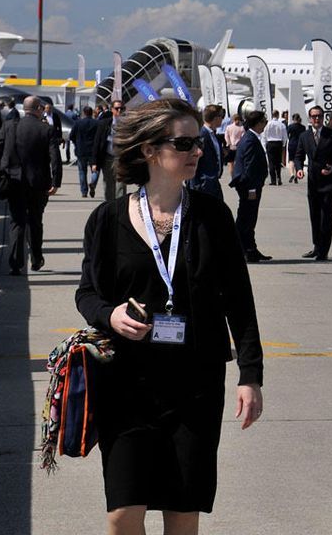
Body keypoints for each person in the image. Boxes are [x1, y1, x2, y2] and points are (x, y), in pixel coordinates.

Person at [75, 97, 264, 533]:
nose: (197, 151)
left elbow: (239, 300)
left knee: (182, 515)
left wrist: (250, 376)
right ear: (148, 150)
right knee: (123, 515)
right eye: (184, 144)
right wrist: (110, 315)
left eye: (198, 143)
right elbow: (87, 293)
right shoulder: (106, 220)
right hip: (125, 383)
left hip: (194, 386)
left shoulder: (213, 218)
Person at [0, 96, 64, 274]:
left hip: (14, 182)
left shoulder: (9, 127)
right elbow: (55, 158)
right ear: (39, 108)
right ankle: (37, 258)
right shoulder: (46, 130)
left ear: (24, 109)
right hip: (38, 184)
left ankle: (16, 264)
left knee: (17, 222)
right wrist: (56, 182)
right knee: (35, 221)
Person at [292, 106, 332, 260]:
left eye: (319, 116)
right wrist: (299, 168)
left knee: (326, 217)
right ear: (309, 118)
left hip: (329, 182)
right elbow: (298, 155)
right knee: (314, 216)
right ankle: (316, 246)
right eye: (314, 116)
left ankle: (324, 250)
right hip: (313, 181)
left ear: (323, 118)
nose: (317, 119)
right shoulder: (304, 136)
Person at [230, 111, 270, 263]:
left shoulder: (251, 137)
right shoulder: (250, 140)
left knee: (249, 219)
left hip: (250, 186)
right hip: (249, 187)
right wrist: (252, 189)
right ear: (258, 123)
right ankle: (245, 250)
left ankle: (251, 248)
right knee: (246, 219)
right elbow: (250, 168)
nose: (265, 124)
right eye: (263, 121)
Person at [188, 106, 231, 198]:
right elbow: (193, 159)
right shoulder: (201, 135)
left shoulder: (212, 134)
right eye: (221, 116)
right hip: (204, 184)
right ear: (216, 118)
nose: (223, 119)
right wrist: (197, 184)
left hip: (213, 181)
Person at [70, 106, 103, 197]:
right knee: (95, 170)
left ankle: (84, 192)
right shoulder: (97, 123)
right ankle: (93, 183)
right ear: (92, 113)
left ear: (84, 113)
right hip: (93, 150)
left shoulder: (78, 123)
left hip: (81, 150)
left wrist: (76, 143)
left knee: (82, 171)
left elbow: (71, 135)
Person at [99, 100, 126, 201]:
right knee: (108, 183)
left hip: (121, 158)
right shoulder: (105, 123)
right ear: (112, 110)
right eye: (117, 108)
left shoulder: (128, 124)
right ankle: (109, 205)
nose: (119, 111)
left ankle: (120, 206)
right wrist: (94, 162)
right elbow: (98, 142)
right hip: (108, 157)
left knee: (121, 185)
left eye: (121, 109)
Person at [261, 111, 287, 186]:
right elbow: (284, 135)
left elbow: (264, 135)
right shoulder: (281, 124)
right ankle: (279, 178)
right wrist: (283, 144)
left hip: (270, 143)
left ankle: (273, 180)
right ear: (278, 115)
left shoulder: (268, 124)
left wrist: (265, 145)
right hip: (278, 143)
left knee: (271, 162)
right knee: (278, 162)